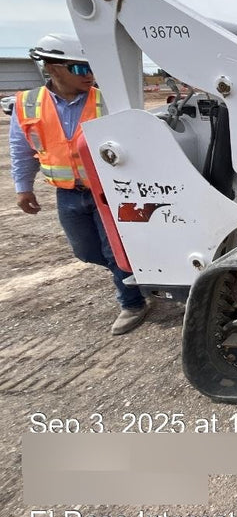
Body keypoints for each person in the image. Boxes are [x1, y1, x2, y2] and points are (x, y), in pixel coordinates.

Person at [10, 33, 149, 334]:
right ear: (53, 68)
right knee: (87, 252)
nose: (89, 75)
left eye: (91, 68)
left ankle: (132, 302)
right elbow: (22, 150)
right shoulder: (27, 104)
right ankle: (137, 276)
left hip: (108, 193)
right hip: (68, 195)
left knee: (114, 251)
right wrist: (23, 188)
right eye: (78, 68)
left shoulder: (108, 101)